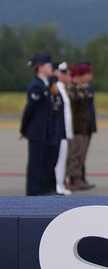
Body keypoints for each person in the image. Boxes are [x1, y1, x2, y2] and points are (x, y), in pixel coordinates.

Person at [19, 54, 57, 196]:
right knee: (35, 165)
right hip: (36, 131)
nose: (50, 67)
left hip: (44, 131)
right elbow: (30, 110)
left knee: (42, 164)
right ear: (40, 67)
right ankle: (33, 194)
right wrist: (24, 129)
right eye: (48, 65)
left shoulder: (44, 85)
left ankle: (40, 192)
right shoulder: (36, 86)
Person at [66, 64, 96, 191]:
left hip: (83, 127)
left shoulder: (81, 88)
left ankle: (77, 177)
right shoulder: (71, 90)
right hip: (76, 127)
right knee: (74, 155)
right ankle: (73, 178)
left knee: (80, 155)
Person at [50, 62, 74, 195]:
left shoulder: (62, 89)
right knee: (58, 160)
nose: (68, 76)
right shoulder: (57, 89)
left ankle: (60, 183)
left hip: (64, 131)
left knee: (62, 160)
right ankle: (58, 185)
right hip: (60, 131)